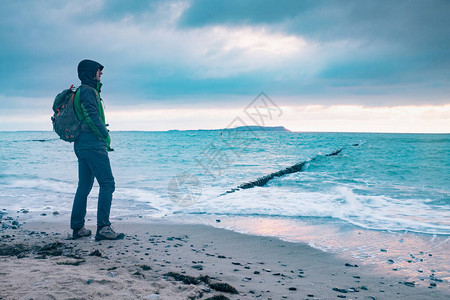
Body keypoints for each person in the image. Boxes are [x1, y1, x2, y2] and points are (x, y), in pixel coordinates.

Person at [71, 59, 124, 241]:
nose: (100, 74)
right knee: (108, 184)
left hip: (81, 144)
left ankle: (78, 228)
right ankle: (103, 227)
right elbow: (92, 116)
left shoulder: (80, 91)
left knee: (84, 185)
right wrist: (105, 135)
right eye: (98, 71)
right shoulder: (87, 91)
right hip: (93, 145)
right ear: (90, 72)